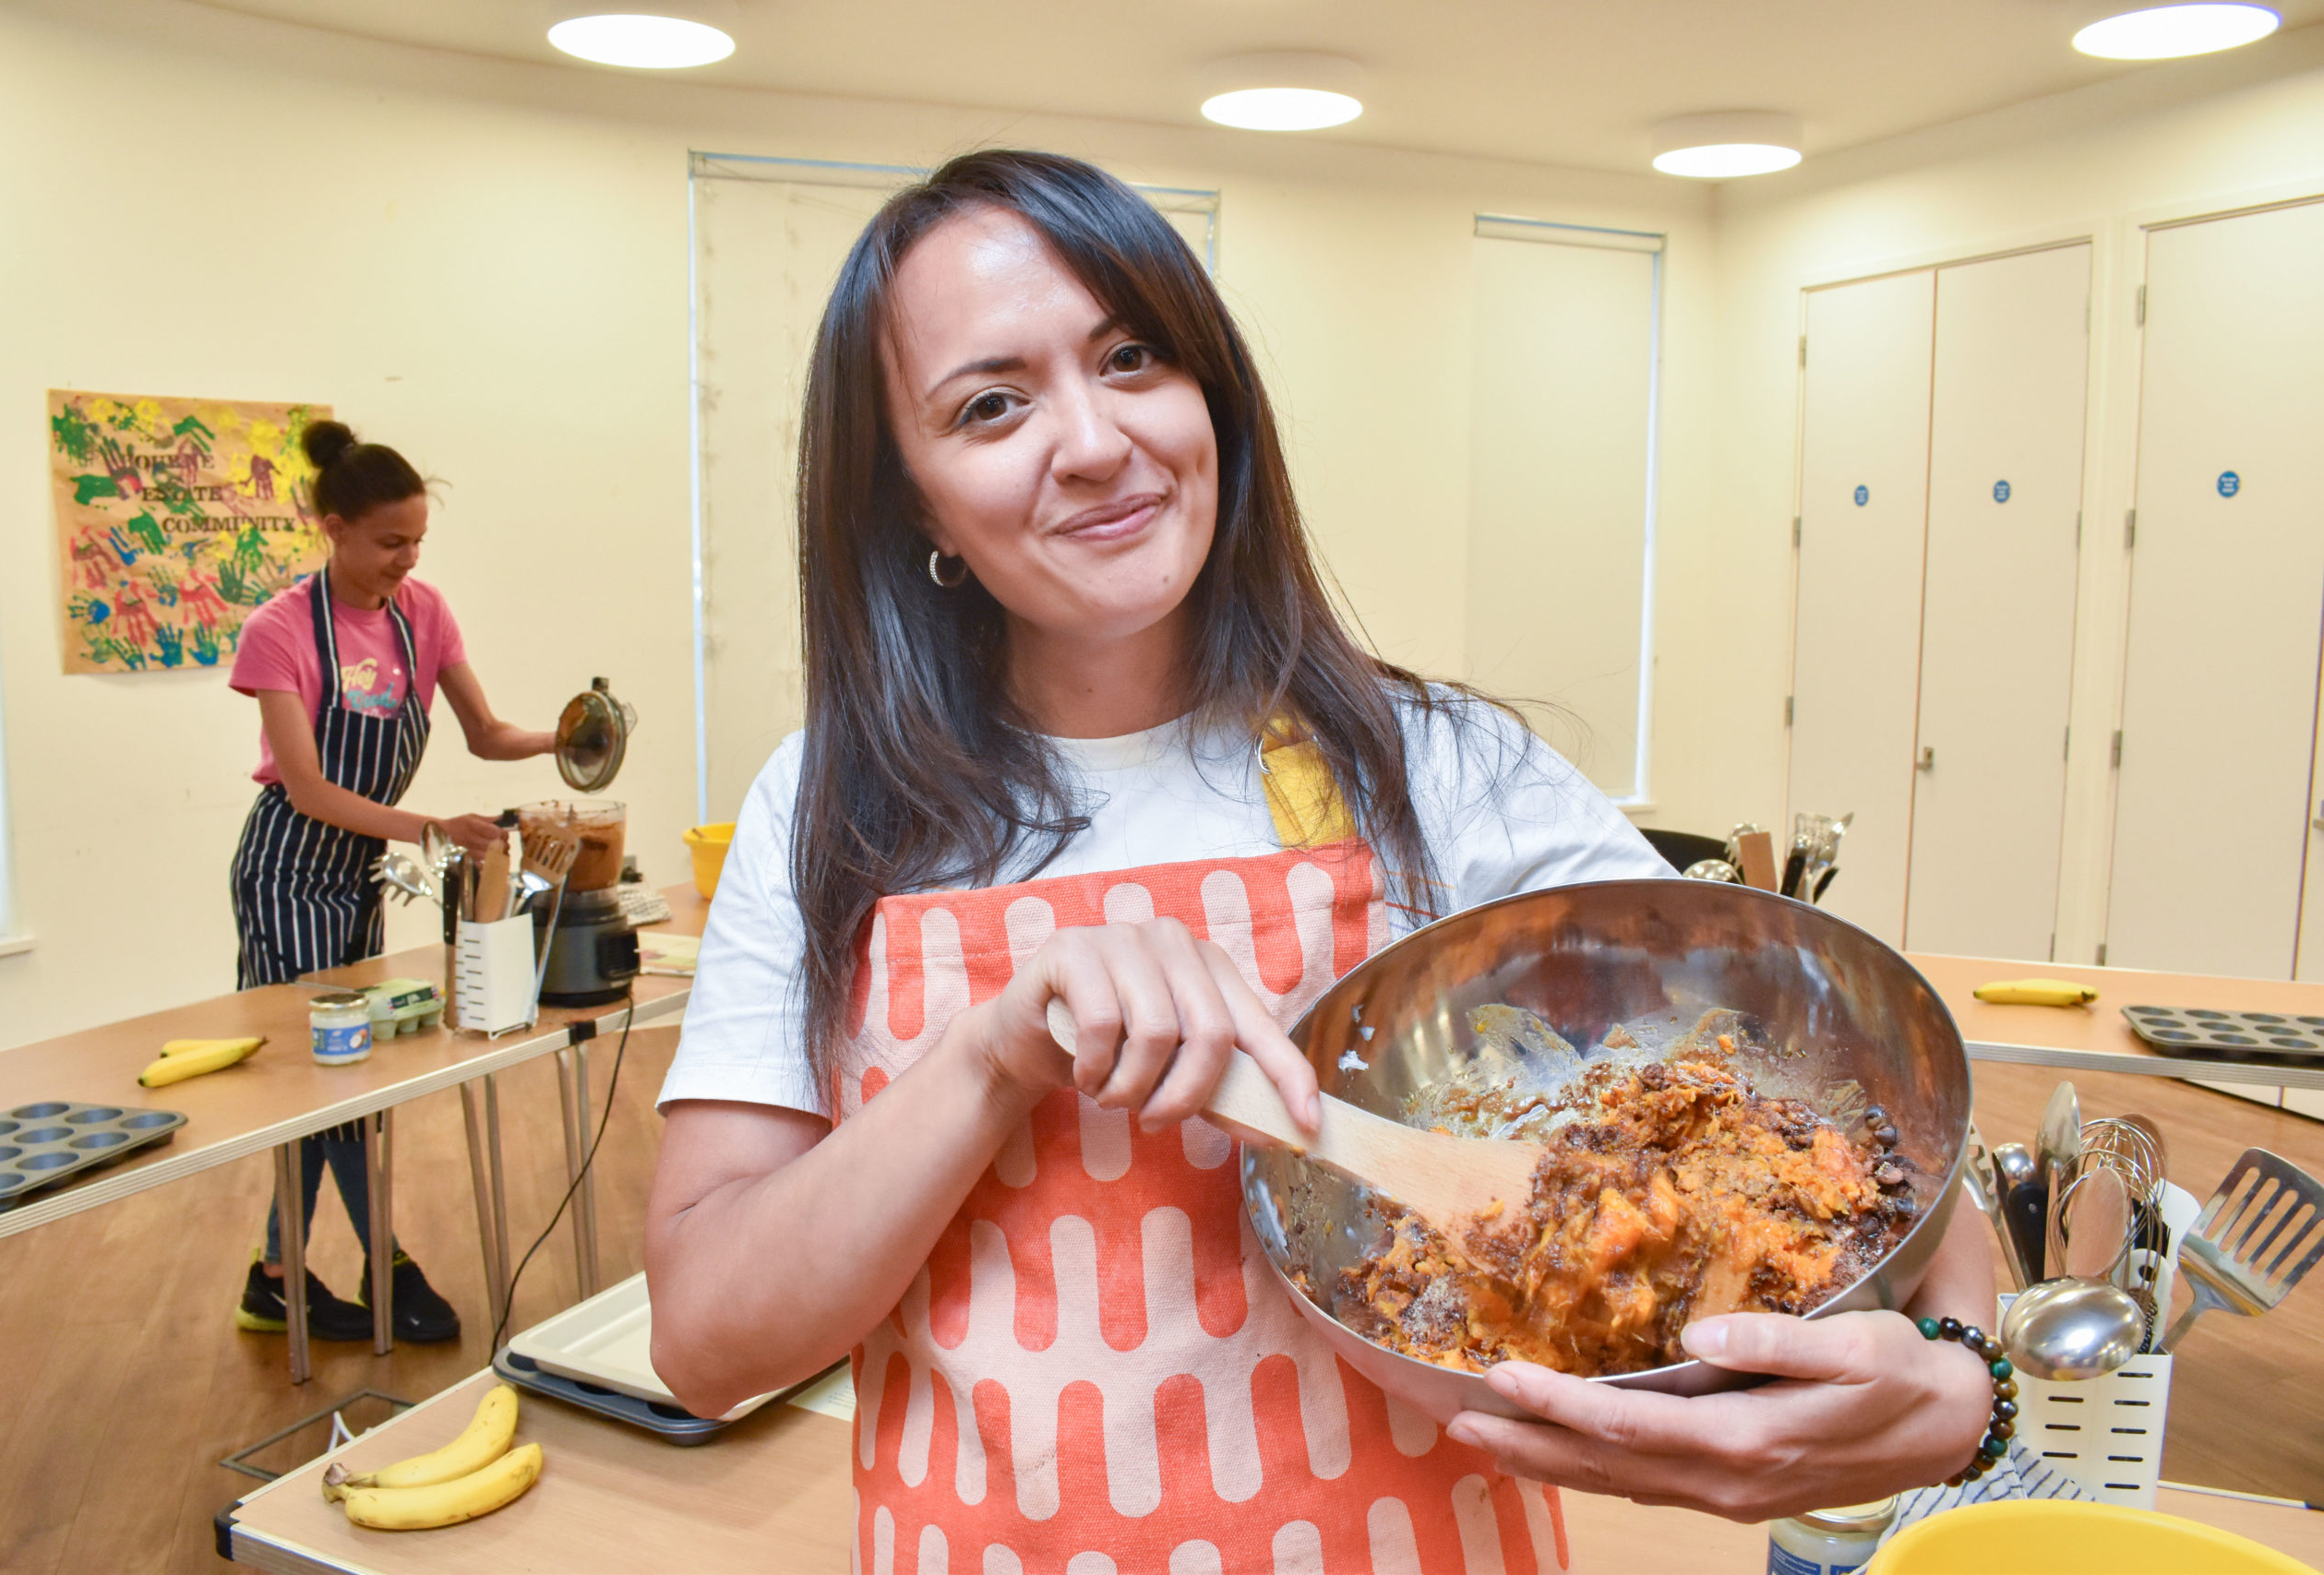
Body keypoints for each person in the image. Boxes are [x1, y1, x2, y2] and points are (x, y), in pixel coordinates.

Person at [644, 150, 1997, 1570]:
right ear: (911, 498)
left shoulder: (1438, 768)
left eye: (1133, 356)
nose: (1096, 438)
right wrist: (991, 1054)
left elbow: (1857, 1143)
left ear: (1211, 392)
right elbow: (707, 1339)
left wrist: (1964, 1371)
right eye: (991, 403)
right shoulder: (829, 809)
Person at [227, 421, 555, 1343]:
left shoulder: (423, 613)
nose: (404, 561)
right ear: (331, 526)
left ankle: (276, 1274)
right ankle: (389, 1265)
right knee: (329, 1080)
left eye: (416, 542)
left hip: (359, 871)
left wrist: (563, 737)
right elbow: (309, 789)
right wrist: (432, 830)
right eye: (387, 542)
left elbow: (484, 733)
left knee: (340, 1077)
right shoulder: (279, 632)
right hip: (288, 873)